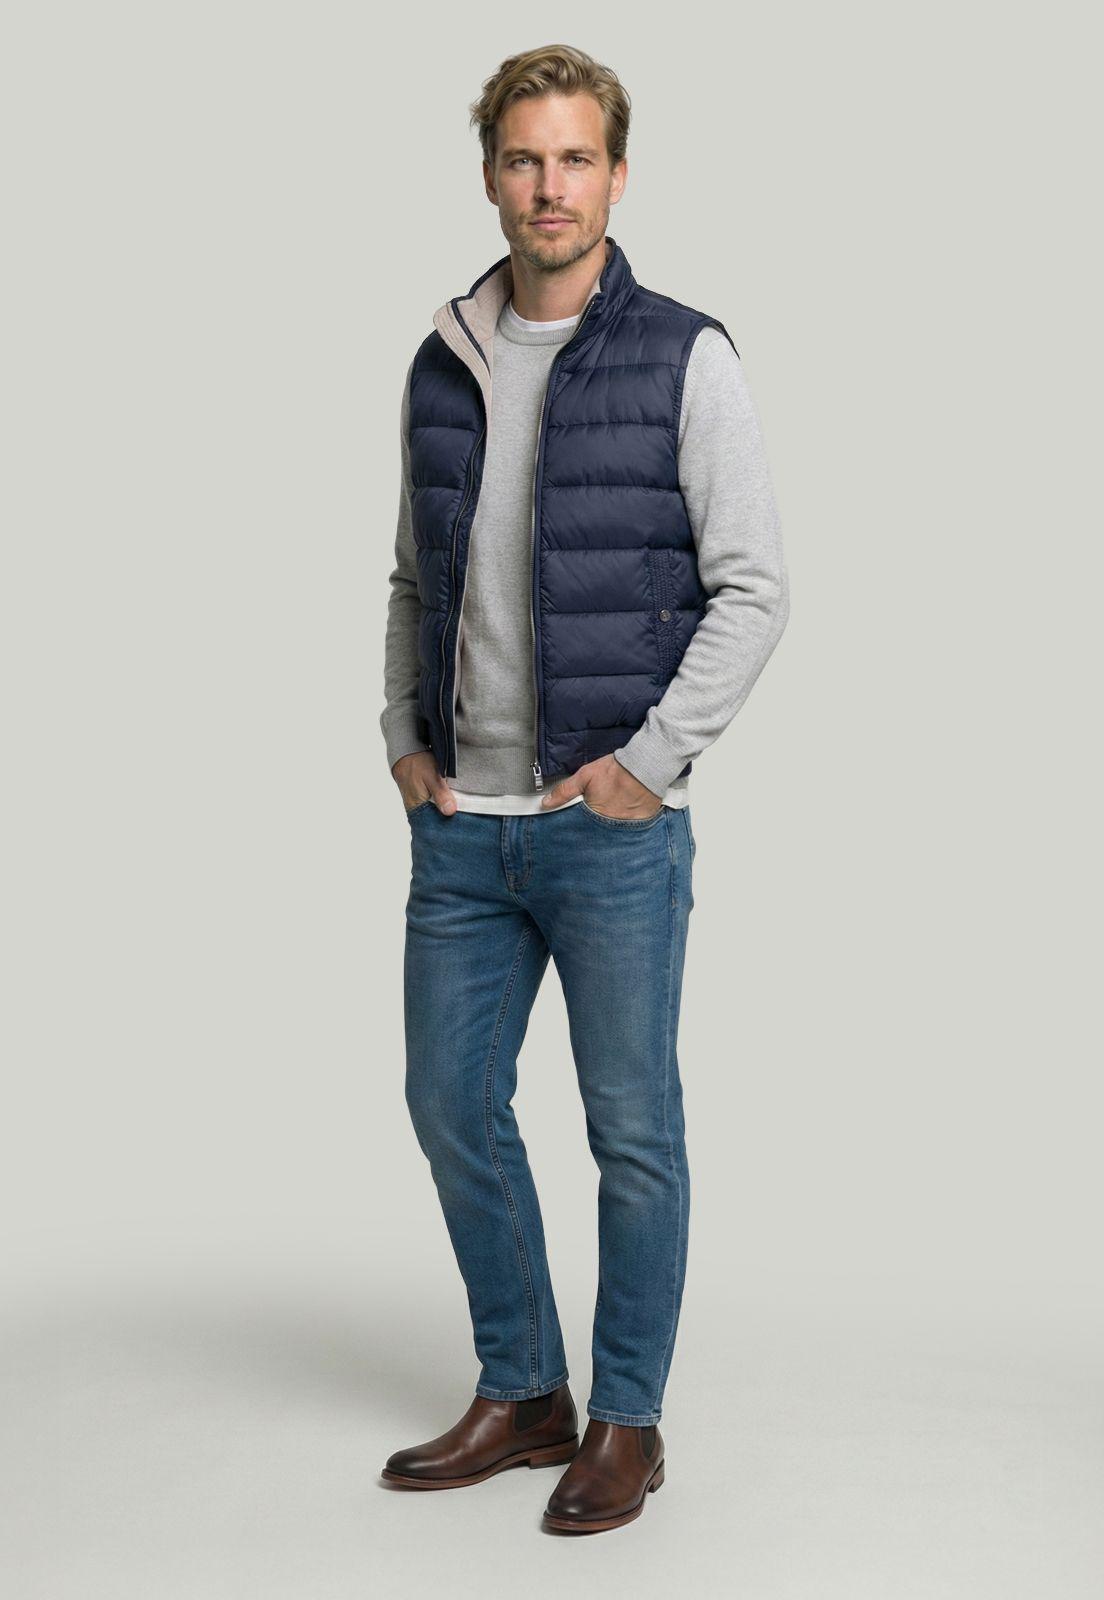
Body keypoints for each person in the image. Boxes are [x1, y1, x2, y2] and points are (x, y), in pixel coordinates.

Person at [378, 43, 789, 1534]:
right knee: (449, 1102)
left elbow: (755, 589)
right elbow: (414, 576)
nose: (547, 187)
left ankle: (627, 1420)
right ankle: (525, 1389)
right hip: (461, 830)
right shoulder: (443, 358)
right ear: (491, 174)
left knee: (632, 1130)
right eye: (522, 159)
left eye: (573, 160)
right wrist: (403, 739)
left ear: (617, 176)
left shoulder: (685, 356)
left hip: (607, 831)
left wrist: (650, 767)